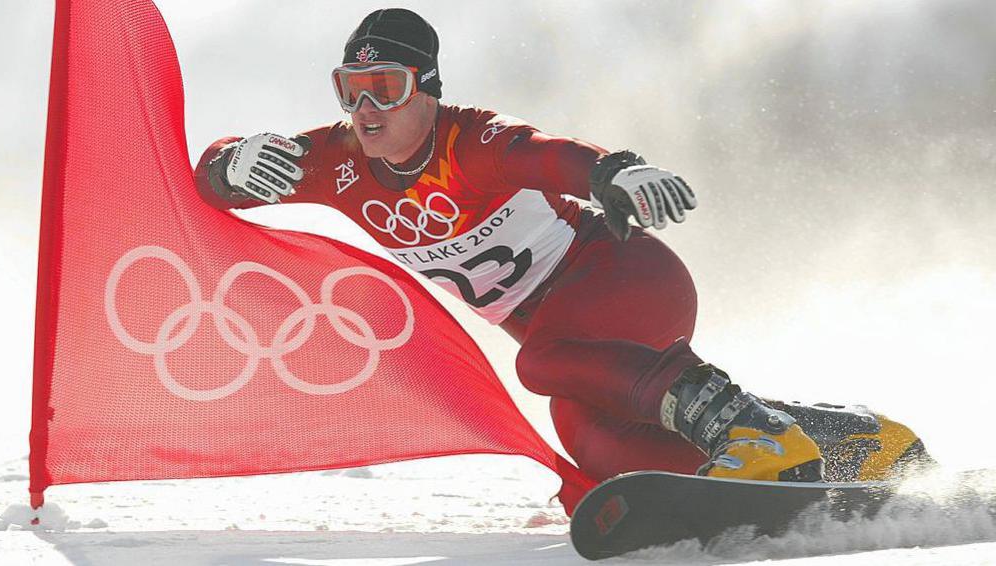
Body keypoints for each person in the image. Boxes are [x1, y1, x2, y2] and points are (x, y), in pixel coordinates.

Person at [194, 8, 931, 486]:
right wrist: (230, 162)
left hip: (624, 280)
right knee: (604, 455)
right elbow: (208, 183)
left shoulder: (469, 137)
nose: (364, 109)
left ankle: (757, 431)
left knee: (540, 361)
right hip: (579, 339)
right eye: (348, 88)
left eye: (384, 86)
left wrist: (614, 169)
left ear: (427, 88)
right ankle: (845, 445)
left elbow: (547, 153)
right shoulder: (337, 159)